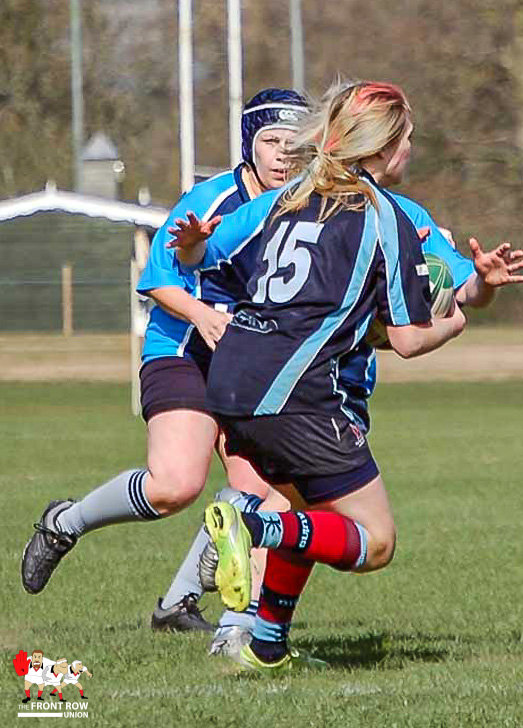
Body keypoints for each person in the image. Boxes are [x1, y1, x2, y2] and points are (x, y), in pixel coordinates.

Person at [170, 80, 466, 672]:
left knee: (308, 509)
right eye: (407, 138)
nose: (410, 149)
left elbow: (196, 257)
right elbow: (407, 338)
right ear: (384, 148)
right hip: (294, 395)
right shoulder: (385, 217)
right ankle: (252, 521)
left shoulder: (291, 194)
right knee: (374, 541)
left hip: (231, 378)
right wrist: (453, 322)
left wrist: (197, 244)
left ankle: (266, 644)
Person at [19, 90, 307, 633]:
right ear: (250, 145)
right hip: (185, 352)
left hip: (252, 366)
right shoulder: (211, 200)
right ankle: (65, 522)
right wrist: (203, 315)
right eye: (271, 142)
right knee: (175, 485)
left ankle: (203, 616)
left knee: (265, 494)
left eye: (294, 145)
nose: (282, 155)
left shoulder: (306, 210)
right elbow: (156, 280)